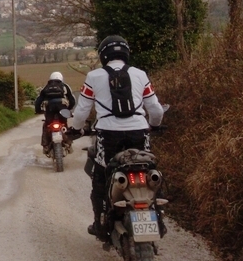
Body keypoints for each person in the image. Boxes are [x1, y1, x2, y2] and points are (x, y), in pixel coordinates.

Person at [68, 35, 164, 240]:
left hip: (108, 135)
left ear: (103, 56)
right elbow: (155, 109)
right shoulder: (140, 75)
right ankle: (159, 215)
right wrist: (154, 126)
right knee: (149, 170)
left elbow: (81, 112)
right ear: (126, 53)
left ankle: (101, 223)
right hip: (140, 132)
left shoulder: (93, 77)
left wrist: (76, 130)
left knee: (102, 176)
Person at [34, 71, 76, 155]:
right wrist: (69, 108)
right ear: (61, 78)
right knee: (64, 124)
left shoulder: (46, 87)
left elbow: (38, 101)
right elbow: (72, 100)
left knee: (47, 126)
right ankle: (68, 143)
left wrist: (38, 110)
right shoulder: (65, 86)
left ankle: (45, 146)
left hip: (50, 109)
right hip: (62, 108)